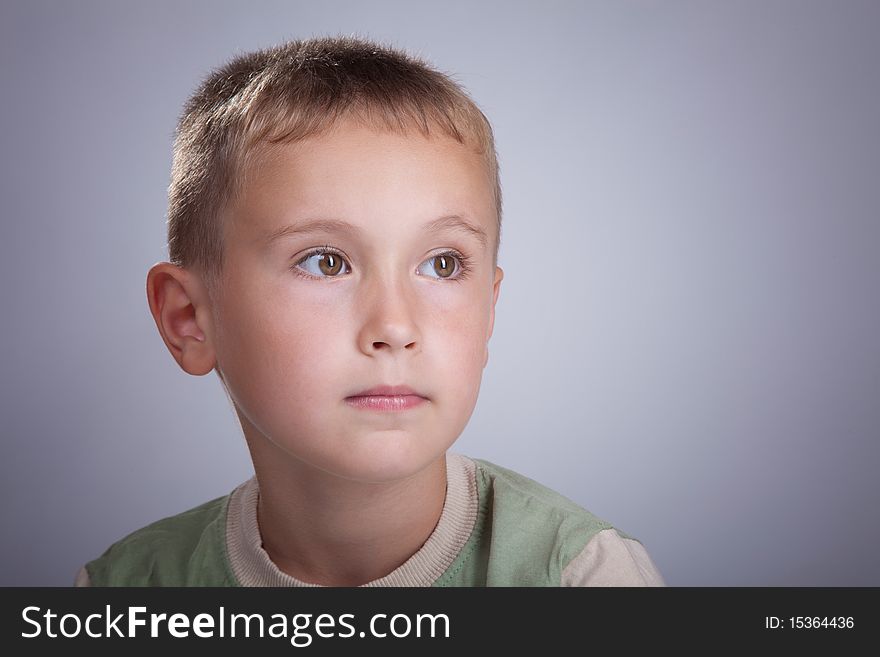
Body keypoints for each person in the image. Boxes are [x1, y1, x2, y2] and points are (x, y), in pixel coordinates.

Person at [77, 35, 664, 587]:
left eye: (441, 264)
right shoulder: (124, 588)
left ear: (489, 311)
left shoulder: (581, 578)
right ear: (190, 319)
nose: (395, 327)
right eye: (326, 262)